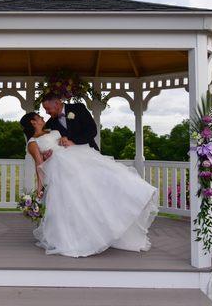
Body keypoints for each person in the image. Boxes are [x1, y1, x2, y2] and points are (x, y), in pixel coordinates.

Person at [19, 110, 159, 258]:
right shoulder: (33, 143)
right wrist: (39, 189)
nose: (42, 117)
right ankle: (74, 238)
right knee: (72, 202)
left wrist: (65, 139)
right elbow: (40, 165)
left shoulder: (52, 130)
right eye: (38, 117)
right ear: (33, 122)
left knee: (95, 190)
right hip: (61, 169)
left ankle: (132, 199)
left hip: (77, 157)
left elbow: (65, 141)